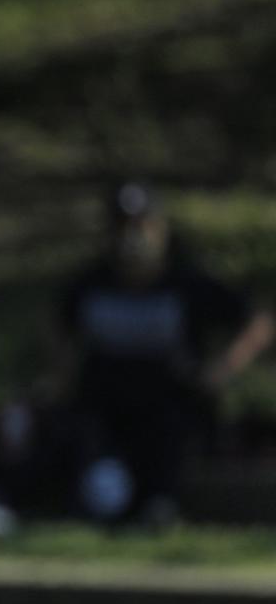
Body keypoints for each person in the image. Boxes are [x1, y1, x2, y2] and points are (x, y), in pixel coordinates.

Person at [54, 182, 272, 523]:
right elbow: (58, 326)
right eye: (122, 226)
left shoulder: (187, 283)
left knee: (169, 438)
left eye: (141, 225)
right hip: (105, 410)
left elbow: (256, 322)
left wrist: (222, 369)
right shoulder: (91, 283)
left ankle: (159, 505)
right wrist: (62, 373)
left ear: (160, 228)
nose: (132, 237)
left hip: (169, 410)